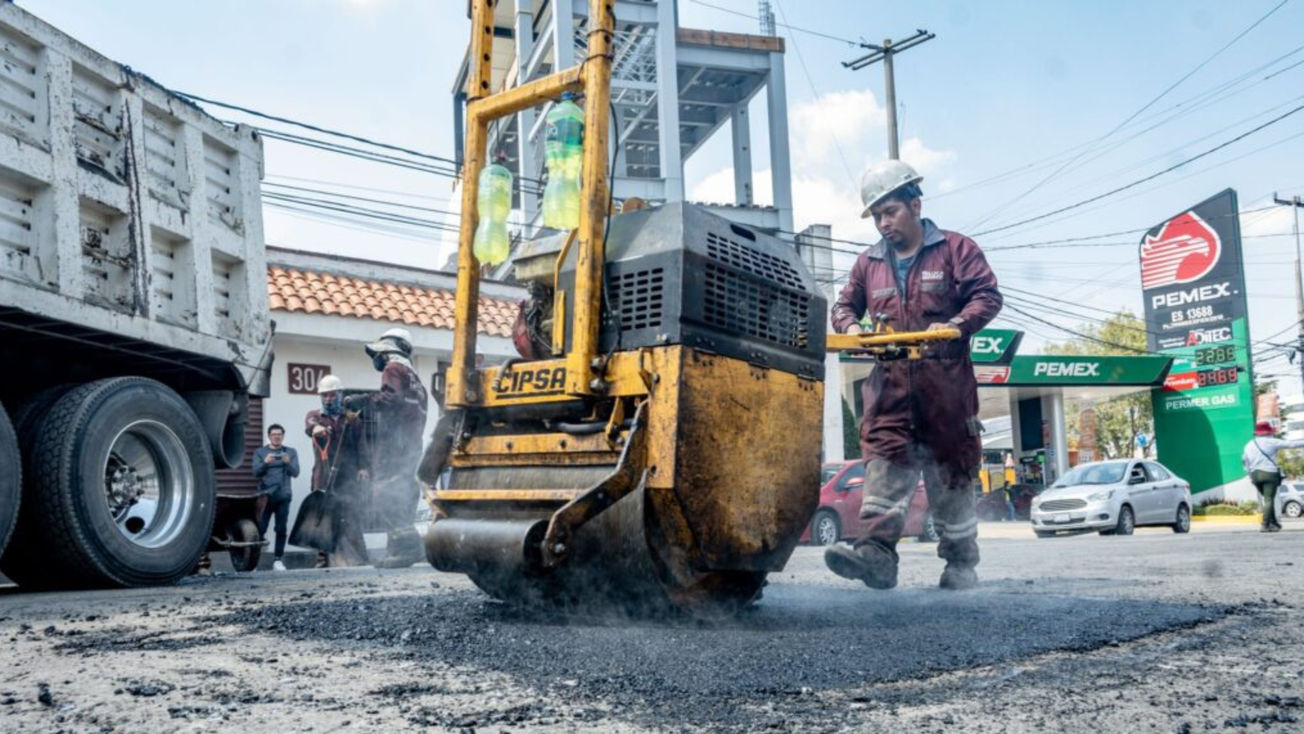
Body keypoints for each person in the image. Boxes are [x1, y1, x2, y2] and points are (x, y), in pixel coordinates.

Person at [824, 159, 1003, 591]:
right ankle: (876, 557)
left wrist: (957, 325)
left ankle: (960, 565)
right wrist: (850, 327)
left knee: (951, 479)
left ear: (915, 205)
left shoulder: (956, 250)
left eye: (891, 212)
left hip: (946, 392)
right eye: (878, 215)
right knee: (883, 471)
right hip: (889, 391)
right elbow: (844, 306)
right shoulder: (868, 264)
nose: (884, 223)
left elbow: (987, 295)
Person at [347, 328, 429, 569]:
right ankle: (398, 552)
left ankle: (411, 545)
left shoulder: (394, 369)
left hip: (396, 445)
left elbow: (389, 397)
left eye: (378, 354)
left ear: (388, 351)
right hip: (412, 446)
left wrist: (360, 400)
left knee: (384, 493)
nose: (377, 359)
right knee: (401, 496)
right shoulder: (417, 381)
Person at [305, 374, 371, 567]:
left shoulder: (352, 420)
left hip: (347, 476)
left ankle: (360, 558)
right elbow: (309, 425)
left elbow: (362, 445)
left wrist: (364, 467)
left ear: (340, 395)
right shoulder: (315, 416)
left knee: (351, 514)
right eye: (324, 396)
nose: (328, 399)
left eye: (332, 395)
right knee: (323, 515)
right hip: (323, 474)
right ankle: (322, 559)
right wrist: (316, 428)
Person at [251, 423, 300, 570]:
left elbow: (296, 472)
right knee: (260, 529)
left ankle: (278, 559)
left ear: (283, 436)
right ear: (269, 436)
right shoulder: (260, 452)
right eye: (273, 434)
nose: (276, 437)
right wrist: (265, 463)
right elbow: (255, 472)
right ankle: (253, 562)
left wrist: (288, 463)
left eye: (279, 434)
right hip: (265, 496)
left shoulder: (290, 452)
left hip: (283, 495)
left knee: (281, 528)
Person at [1242, 420, 1304, 533]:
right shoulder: (1271, 442)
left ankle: (1274, 523)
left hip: (1255, 475)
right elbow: (1291, 444)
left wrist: (1249, 475)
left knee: (1267, 500)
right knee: (1269, 500)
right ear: (1268, 432)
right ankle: (1265, 524)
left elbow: (1244, 462)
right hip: (1269, 473)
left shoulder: (1248, 445)